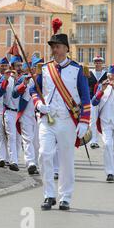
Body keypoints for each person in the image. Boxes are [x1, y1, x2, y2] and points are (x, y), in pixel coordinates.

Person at [31, 19, 91, 211]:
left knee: (66, 159)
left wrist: (84, 121)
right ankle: (49, 194)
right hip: (48, 120)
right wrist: (39, 104)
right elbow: (35, 89)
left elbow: (85, 97)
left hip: (67, 121)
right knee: (44, 154)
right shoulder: (45, 68)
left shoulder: (77, 70)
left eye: (57, 47)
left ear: (66, 48)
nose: (54, 50)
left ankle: (65, 196)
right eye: (53, 47)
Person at [12, 56, 44, 175]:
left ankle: (36, 163)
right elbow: (14, 94)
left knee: (37, 141)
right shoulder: (24, 79)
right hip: (26, 113)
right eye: (38, 67)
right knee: (28, 139)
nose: (40, 69)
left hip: (39, 114)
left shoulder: (44, 80)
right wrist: (23, 85)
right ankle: (30, 163)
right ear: (32, 68)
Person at [0, 55, 24, 172]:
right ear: (12, 67)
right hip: (9, 111)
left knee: (18, 139)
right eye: (17, 66)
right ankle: (13, 162)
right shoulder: (5, 78)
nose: (19, 68)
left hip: (21, 113)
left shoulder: (23, 79)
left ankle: (15, 159)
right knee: (11, 136)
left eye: (20, 66)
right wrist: (6, 80)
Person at [88, 56, 107, 150]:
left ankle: (105, 140)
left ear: (102, 63)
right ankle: (93, 141)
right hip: (93, 100)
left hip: (104, 100)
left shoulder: (106, 74)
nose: (98, 64)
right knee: (93, 120)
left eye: (99, 62)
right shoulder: (90, 74)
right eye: (96, 62)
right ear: (94, 63)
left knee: (104, 120)